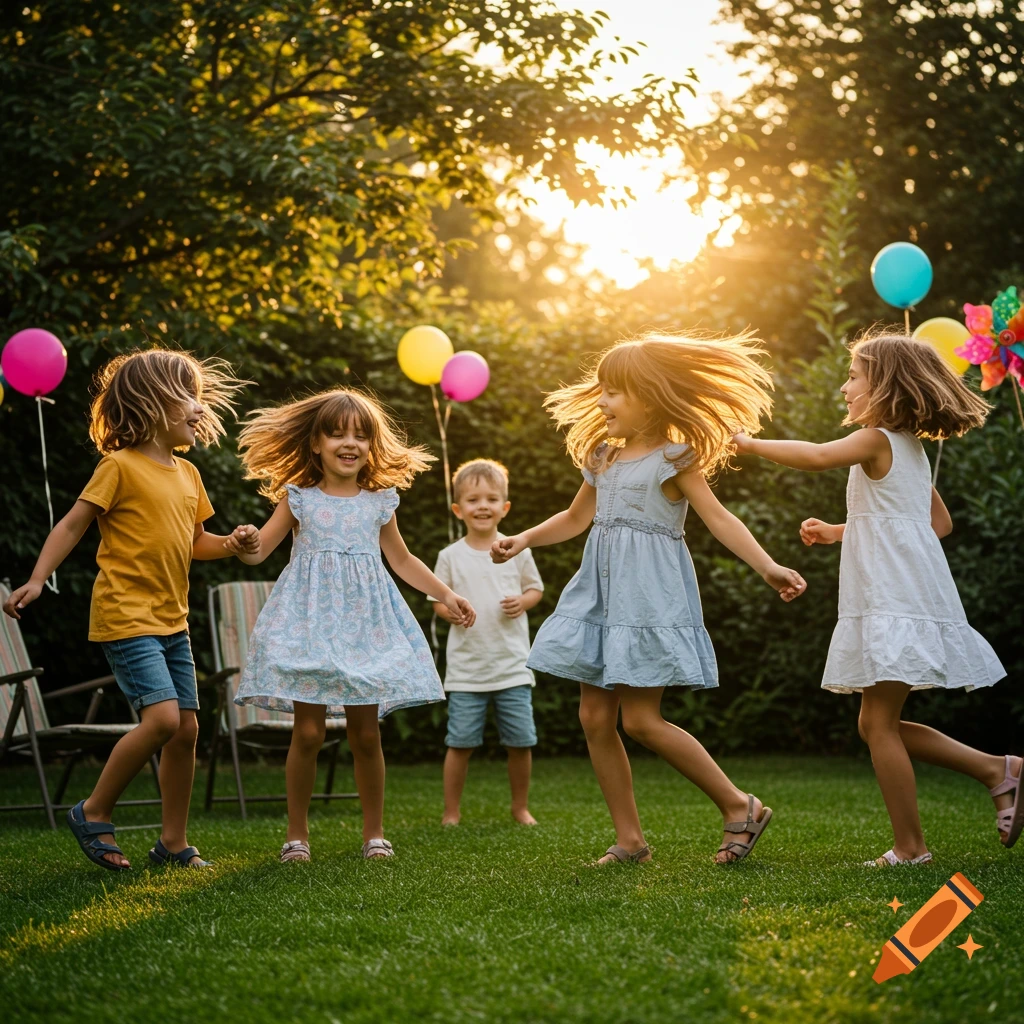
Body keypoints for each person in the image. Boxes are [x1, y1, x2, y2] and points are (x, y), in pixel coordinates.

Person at [493, 333, 806, 865]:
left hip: (648, 601)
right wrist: (523, 538)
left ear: (650, 395)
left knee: (639, 719)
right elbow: (575, 519)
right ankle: (630, 840)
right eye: (601, 391)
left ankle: (740, 805)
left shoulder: (674, 459)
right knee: (594, 718)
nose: (601, 402)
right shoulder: (601, 456)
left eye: (614, 392)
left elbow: (719, 519)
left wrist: (770, 567)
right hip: (603, 599)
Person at [733, 332, 1018, 864]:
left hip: (890, 597)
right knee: (874, 722)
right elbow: (937, 522)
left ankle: (912, 847)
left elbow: (817, 455)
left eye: (853, 377)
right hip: (907, 593)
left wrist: (748, 444)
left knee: (879, 724)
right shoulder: (911, 450)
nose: (844, 388)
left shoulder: (876, 439)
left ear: (883, 385)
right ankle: (996, 770)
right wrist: (845, 530)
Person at [3, 348, 257, 870]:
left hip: (172, 620)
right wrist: (36, 578)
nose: (199, 408)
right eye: (189, 396)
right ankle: (93, 810)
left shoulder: (188, 476)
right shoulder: (118, 467)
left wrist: (230, 543)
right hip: (126, 614)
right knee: (163, 719)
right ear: (153, 402)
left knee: (186, 729)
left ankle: (173, 843)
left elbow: (196, 542)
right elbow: (73, 523)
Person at [232, 388, 476, 862]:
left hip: (366, 627)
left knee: (366, 733)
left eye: (361, 435)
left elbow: (401, 559)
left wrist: (445, 593)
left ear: (371, 445)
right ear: (315, 443)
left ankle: (374, 834)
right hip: (309, 624)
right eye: (337, 433)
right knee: (308, 733)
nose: (350, 443)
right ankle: (296, 835)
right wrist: (244, 541)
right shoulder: (298, 499)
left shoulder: (379, 501)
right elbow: (260, 549)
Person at [432, 459, 544, 827]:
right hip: (467, 671)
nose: (483, 506)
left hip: (512, 666)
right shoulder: (449, 556)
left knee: (520, 743)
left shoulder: (517, 549)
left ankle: (520, 807)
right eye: (473, 499)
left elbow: (535, 589)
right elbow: (436, 600)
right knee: (460, 743)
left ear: (505, 507)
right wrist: (447, 610)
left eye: (492, 499)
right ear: (457, 509)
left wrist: (523, 602)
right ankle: (451, 812)